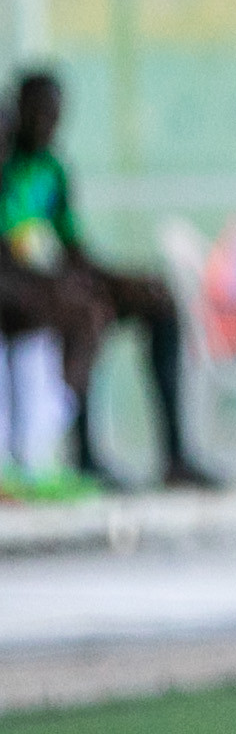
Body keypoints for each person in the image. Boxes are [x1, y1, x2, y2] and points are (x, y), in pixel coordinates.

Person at [0, 70, 216, 487]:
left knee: (158, 300)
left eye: (56, 116)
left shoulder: (52, 171)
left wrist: (121, 280)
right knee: (82, 309)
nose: (49, 125)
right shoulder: (6, 167)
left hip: (54, 281)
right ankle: (72, 451)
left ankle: (175, 455)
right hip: (26, 292)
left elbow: (72, 248)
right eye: (41, 114)